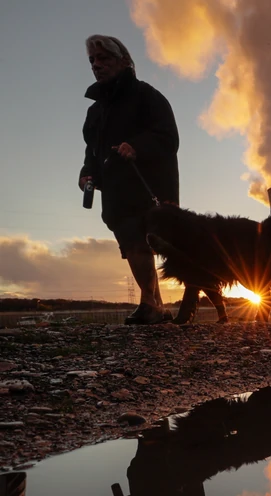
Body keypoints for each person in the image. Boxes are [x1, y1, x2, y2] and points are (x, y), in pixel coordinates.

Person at [79, 35, 180, 325]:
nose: (96, 65)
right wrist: (87, 173)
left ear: (124, 60)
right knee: (131, 241)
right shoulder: (94, 111)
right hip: (115, 191)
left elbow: (168, 138)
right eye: (92, 60)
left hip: (150, 185)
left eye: (103, 58)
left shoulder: (147, 96)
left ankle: (157, 303)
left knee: (157, 242)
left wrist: (137, 146)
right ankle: (153, 304)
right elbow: (92, 151)